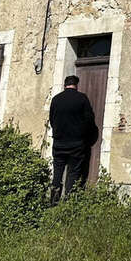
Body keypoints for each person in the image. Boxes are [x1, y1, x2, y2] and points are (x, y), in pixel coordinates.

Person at [48, 75, 98, 204]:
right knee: (73, 174)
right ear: (76, 85)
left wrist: (58, 133)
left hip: (59, 143)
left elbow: (52, 120)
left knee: (57, 173)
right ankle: (68, 203)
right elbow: (89, 120)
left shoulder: (56, 99)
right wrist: (83, 135)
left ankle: (53, 201)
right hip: (76, 144)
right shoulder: (82, 99)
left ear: (65, 85)